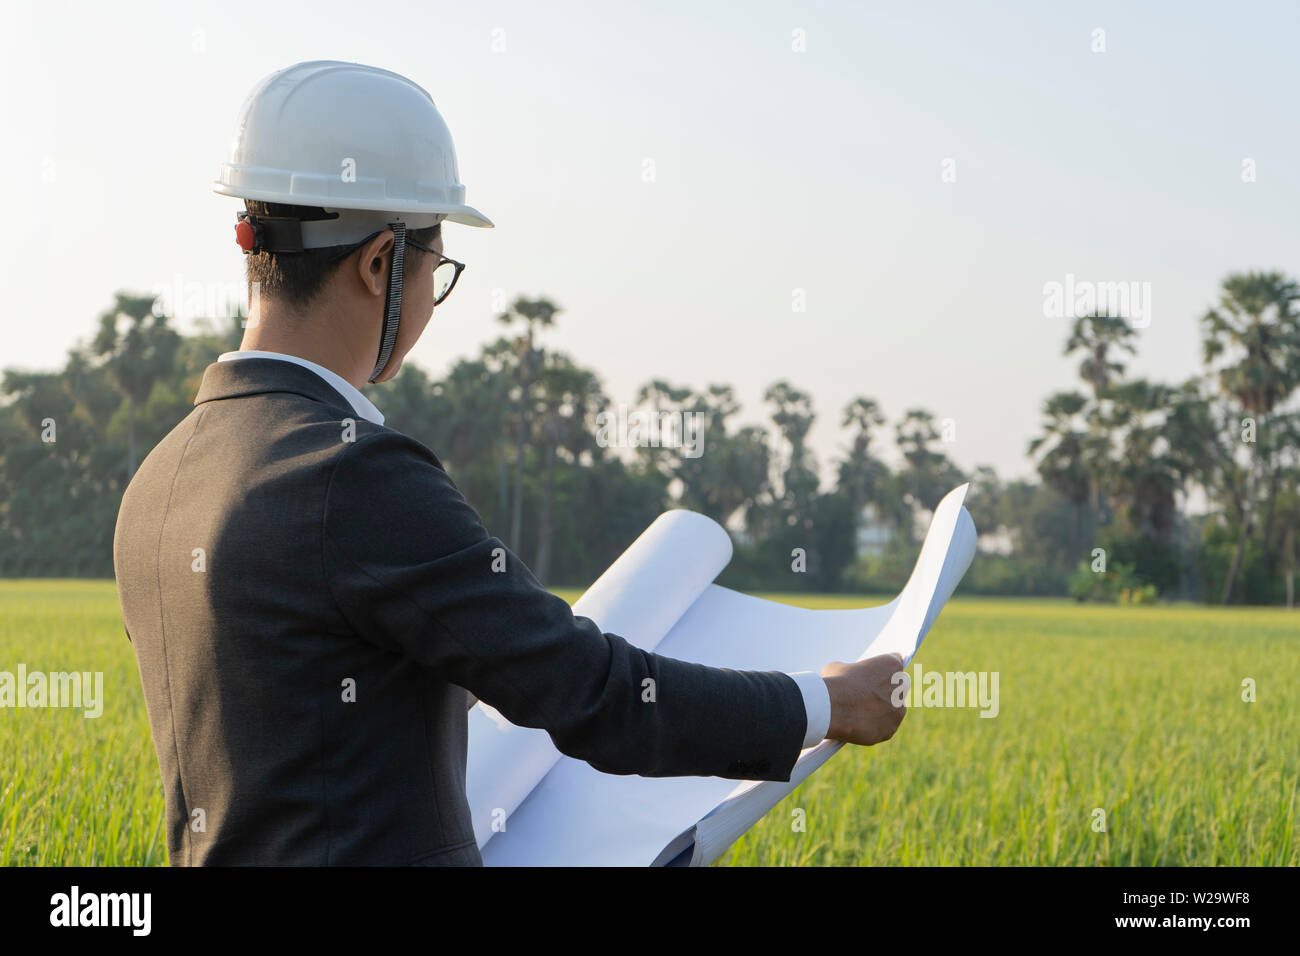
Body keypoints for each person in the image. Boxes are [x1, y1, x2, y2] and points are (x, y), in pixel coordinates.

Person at [113, 60, 905, 866]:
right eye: (436, 270)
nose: (432, 296)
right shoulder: (351, 478)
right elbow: (594, 693)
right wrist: (826, 702)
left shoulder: (159, 480)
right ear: (381, 263)